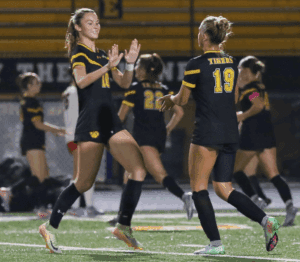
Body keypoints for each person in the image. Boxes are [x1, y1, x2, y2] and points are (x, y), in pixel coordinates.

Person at [159, 16, 280, 255]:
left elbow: (182, 99)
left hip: (207, 131)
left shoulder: (196, 63)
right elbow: (234, 97)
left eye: (199, 31)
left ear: (204, 35)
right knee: (224, 188)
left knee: (198, 189)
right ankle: (265, 220)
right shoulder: (231, 62)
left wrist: (170, 99)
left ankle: (215, 244)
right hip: (229, 131)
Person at [39, 8, 146, 253]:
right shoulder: (79, 53)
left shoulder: (100, 54)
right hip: (92, 122)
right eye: (90, 22)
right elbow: (82, 81)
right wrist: (107, 67)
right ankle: (49, 227)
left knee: (138, 169)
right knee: (83, 183)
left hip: (110, 121)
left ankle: (123, 226)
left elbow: (125, 83)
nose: (96, 26)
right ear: (78, 28)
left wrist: (129, 64)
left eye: (97, 22)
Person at [108, 53, 192, 226]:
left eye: (139, 65)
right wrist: (168, 128)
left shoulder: (135, 88)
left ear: (147, 70)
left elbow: (121, 116)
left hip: (142, 135)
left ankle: (184, 196)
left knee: (158, 174)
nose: (136, 68)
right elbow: (180, 113)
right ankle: (122, 215)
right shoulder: (163, 88)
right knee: (129, 175)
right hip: (157, 134)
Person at [233, 56, 298, 226]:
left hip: (253, 134)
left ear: (253, 73)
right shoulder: (256, 86)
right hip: (266, 133)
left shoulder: (252, 89)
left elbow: (258, 105)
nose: (241, 74)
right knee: (272, 174)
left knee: (236, 171)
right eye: (241, 71)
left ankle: (257, 200)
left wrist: (242, 116)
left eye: (244, 71)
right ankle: (290, 206)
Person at [16, 72, 65, 216]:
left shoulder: (30, 101)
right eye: (36, 83)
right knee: (39, 176)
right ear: (28, 86)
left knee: (43, 175)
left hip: (35, 141)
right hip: (32, 141)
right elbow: (38, 124)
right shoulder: (30, 102)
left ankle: (41, 206)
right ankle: (38, 207)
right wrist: (58, 129)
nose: (39, 85)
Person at [62, 80, 104, 217]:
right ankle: (86, 206)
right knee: (86, 172)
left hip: (71, 136)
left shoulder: (68, 91)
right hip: (80, 135)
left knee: (79, 173)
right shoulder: (78, 92)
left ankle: (74, 206)